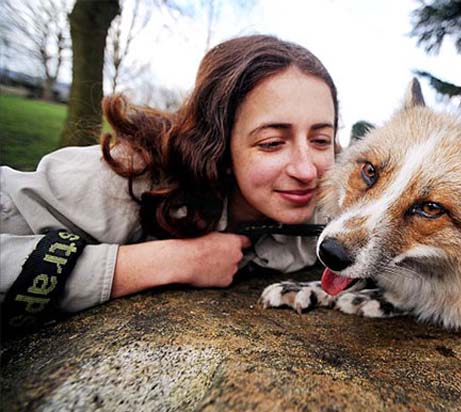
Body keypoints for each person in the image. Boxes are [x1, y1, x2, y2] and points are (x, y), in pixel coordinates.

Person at [0, 34, 338, 332]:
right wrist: (168, 261)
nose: (307, 171)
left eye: (321, 140)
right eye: (271, 143)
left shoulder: (334, 213)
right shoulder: (126, 176)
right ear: (219, 143)